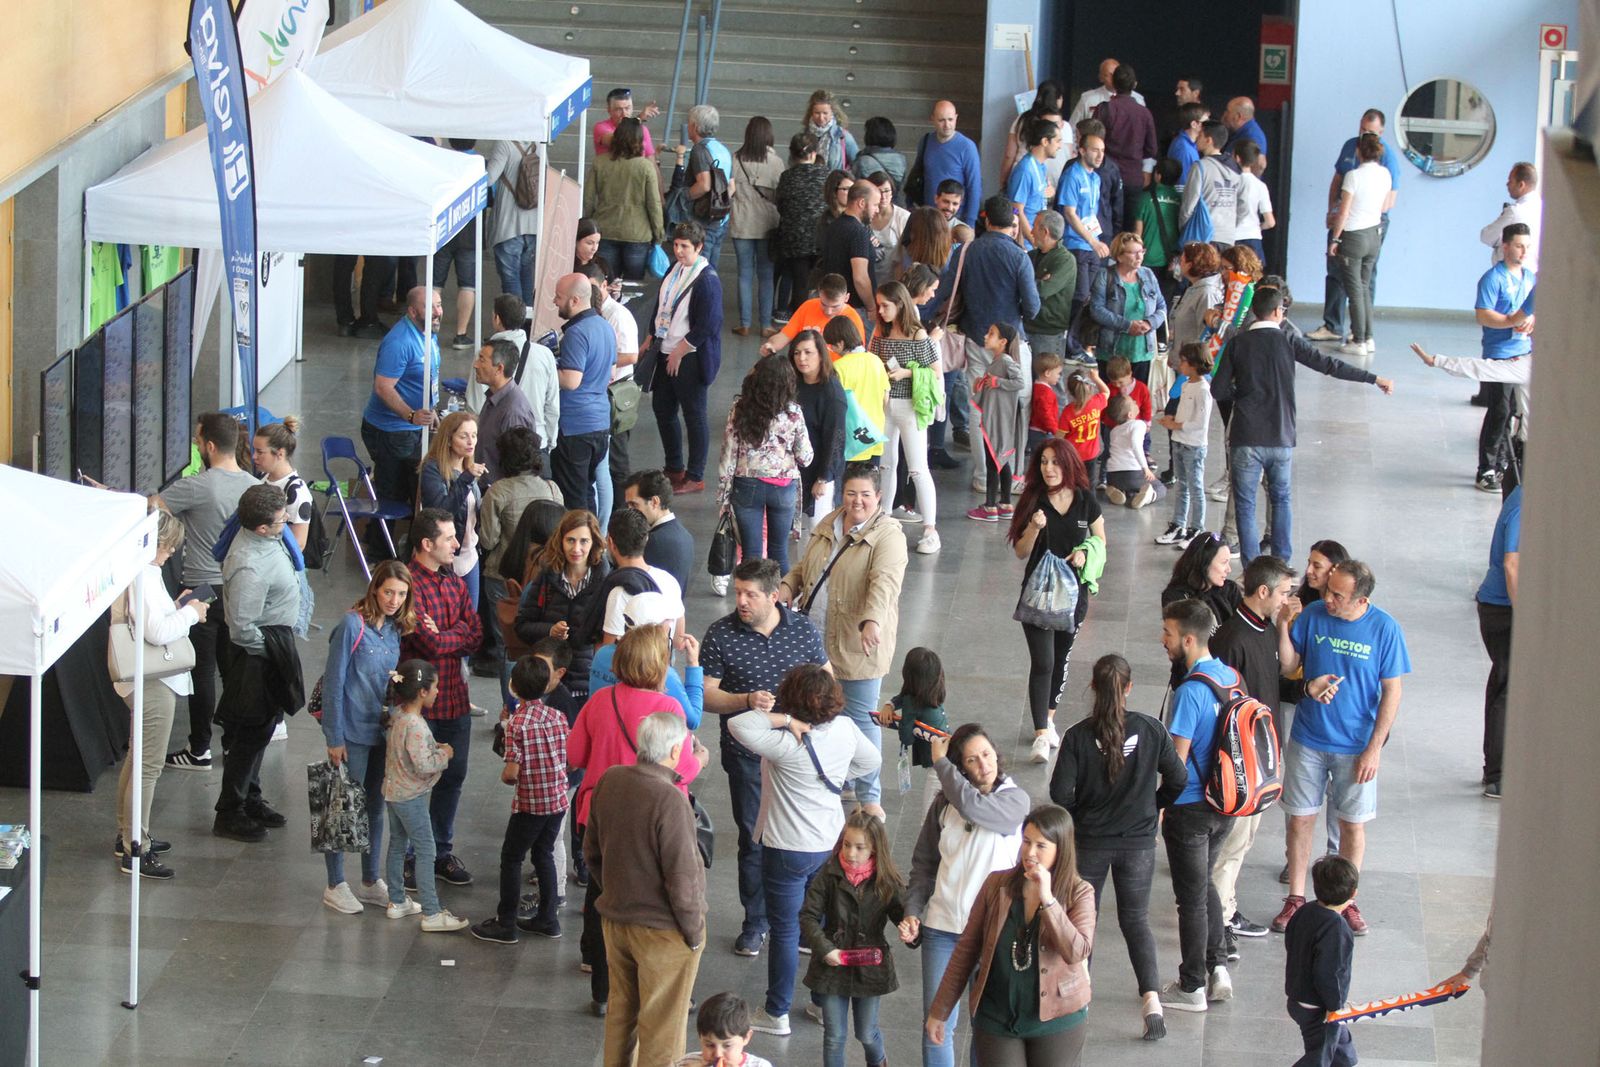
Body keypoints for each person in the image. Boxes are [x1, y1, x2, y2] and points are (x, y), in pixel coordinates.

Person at [728, 665, 882, 1036]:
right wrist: (841, 773)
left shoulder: (784, 743)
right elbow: (872, 761)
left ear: (791, 699)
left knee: (784, 930)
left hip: (786, 848)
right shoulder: (845, 729)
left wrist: (782, 719)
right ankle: (819, 1003)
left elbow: (740, 725)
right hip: (830, 846)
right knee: (824, 925)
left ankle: (777, 1011)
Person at [571, 627, 708, 1019]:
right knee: (657, 900)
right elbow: (681, 770)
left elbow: (576, 753)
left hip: (598, 812)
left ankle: (602, 991)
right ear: (659, 664)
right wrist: (701, 759)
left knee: (599, 897)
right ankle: (652, 985)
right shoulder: (670, 709)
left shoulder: (599, 700)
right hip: (655, 818)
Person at [1273, 560, 1411, 937]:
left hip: (1356, 746)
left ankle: (1346, 900)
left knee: (1352, 825)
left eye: (1338, 595)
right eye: (1327, 590)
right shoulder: (1314, 615)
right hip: (1309, 738)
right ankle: (1296, 897)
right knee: (1300, 818)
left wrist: (1375, 747)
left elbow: (1392, 691)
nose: (1327, 598)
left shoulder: (1385, 629)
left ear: (1361, 599)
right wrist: (1284, 625)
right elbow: (1288, 669)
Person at [1051, 654, 1185, 1040]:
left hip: (1090, 843)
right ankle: (1151, 1001)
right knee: (1135, 920)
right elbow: (1178, 779)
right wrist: (1152, 807)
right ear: (1129, 688)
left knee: (1082, 922)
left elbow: (1060, 793)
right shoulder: (1151, 730)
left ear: (1093, 687)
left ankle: (1079, 1000)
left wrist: (1081, 819)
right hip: (1138, 844)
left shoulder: (1077, 736)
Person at [701, 557, 830, 957]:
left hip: (798, 755)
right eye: (738, 592)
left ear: (774, 596)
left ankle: (805, 923)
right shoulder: (721, 634)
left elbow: (827, 678)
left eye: (750, 594)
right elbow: (706, 694)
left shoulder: (803, 630)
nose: (741, 601)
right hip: (746, 754)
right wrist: (745, 701)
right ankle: (756, 922)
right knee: (754, 837)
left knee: (807, 837)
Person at [1210, 288, 1392, 562]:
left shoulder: (1238, 342)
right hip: (1281, 436)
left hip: (1246, 436)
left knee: (1246, 506)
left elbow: (1218, 389)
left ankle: (1251, 568)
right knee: (1281, 500)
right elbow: (1328, 365)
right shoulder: (1288, 340)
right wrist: (1373, 378)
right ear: (1276, 312)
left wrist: (1243, 395)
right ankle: (1282, 564)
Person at [776, 464, 906, 820]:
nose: (857, 501)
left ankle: (870, 795)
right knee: (821, 713)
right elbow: (808, 568)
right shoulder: (830, 523)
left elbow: (885, 583)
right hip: (816, 639)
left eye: (866, 494)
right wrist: (788, 585)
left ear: (879, 497)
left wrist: (872, 621)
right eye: (851, 493)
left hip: (856, 643)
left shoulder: (889, 535)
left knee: (862, 719)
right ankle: (832, 775)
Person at [925, 804, 1096, 1065]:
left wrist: (1048, 900)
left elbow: (1076, 951)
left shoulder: (1079, 892)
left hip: (1057, 1019)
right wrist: (940, 1010)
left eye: (1041, 845)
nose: (1030, 852)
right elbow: (967, 949)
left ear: (1060, 849)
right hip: (997, 1015)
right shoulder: (997, 884)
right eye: (1026, 841)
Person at [902, 724, 1030, 1066]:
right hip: (942, 929)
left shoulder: (1015, 801)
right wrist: (913, 910)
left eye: (987, 754)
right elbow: (924, 865)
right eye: (972, 760)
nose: (984, 764)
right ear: (963, 768)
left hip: (994, 933)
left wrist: (941, 764)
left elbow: (976, 809)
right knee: (936, 1023)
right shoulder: (944, 806)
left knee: (986, 1028)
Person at [585, 712, 707, 1065]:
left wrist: (614, 892)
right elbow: (682, 878)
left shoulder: (610, 780)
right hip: (663, 932)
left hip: (615, 920)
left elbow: (591, 852)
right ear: (673, 751)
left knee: (621, 1015)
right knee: (662, 1031)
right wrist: (694, 932)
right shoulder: (670, 799)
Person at [153, 413, 258, 771]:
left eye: (199, 442)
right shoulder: (251, 485)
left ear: (209, 446)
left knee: (201, 670)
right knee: (231, 670)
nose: (197, 447)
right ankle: (232, 743)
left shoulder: (198, 485)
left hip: (201, 589)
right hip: (239, 588)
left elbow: (152, 507)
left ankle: (199, 749)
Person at [1207, 554, 1299, 951]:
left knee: (1241, 845)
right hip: (1241, 763)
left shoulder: (1262, 628)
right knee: (1229, 847)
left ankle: (1226, 907)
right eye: (1282, 593)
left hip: (1261, 759)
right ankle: (1218, 923)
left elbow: (1269, 685)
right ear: (1263, 591)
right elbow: (1222, 705)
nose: (1285, 600)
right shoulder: (1231, 639)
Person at [109, 510, 204, 878]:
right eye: (169, 547)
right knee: (148, 768)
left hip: (145, 679)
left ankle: (127, 836)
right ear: (159, 543)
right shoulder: (145, 576)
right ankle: (137, 848)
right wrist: (192, 614)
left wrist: (179, 608)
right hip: (155, 681)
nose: (170, 553)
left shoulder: (138, 572)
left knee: (137, 760)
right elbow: (158, 631)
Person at [1155, 597, 1238, 1013]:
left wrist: (1158, 805)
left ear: (1188, 639)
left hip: (1190, 810)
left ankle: (1192, 986)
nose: (1163, 640)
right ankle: (1218, 967)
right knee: (1204, 884)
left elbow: (1177, 763)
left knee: (1190, 897)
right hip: (1226, 805)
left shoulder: (1190, 692)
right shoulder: (1230, 677)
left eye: (1168, 634)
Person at [319, 560, 414, 912]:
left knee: (374, 806)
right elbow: (334, 681)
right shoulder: (351, 625)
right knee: (342, 808)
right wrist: (334, 735)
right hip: (351, 731)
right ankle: (335, 883)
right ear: (375, 589)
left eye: (401, 594)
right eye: (389, 591)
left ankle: (370, 879)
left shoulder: (393, 629)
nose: (394, 599)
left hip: (379, 730)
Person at [212, 484, 302, 842]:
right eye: (282, 519)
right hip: (256, 656)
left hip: (268, 647)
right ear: (262, 528)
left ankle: (250, 797)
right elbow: (242, 628)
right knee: (249, 734)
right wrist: (273, 653)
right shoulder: (248, 565)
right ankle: (229, 811)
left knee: (261, 729)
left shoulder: (265, 539)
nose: (287, 522)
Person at [400, 507, 483, 889]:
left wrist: (448, 634)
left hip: (454, 697)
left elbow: (477, 634)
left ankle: (440, 851)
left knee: (453, 775)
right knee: (416, 779)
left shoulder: (454, 581)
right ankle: (411, 856)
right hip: (420, 704)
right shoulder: (408, 586)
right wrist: (455, 634)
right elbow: (426, 643)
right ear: (426, 544)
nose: (457, 543)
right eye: (449, 538)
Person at [1009, 440, 1104, 763]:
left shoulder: (1086, 502)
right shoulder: (1034, 501)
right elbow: (1021, 551)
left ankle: (1048, 719)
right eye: (1044, 462)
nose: (1049, 469)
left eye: (1055, 463)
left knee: (1061, 659)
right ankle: (1039, 734)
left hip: (1073, 596)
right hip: (1039, 594)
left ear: (1068, 465)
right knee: (1044, 662)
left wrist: (1085, 553)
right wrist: (1034, 528)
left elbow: (1101, 542)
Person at [469, 655, 570, 944]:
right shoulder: (557, 716)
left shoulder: (517, 724)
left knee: (512, 858)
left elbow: (511, 773)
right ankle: (548, 919)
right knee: (544, 854)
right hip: (558, 800)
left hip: (530, 804)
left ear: (513, 687)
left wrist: (508, 772)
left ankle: (506, 922)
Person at [800, 810, 906, 1067]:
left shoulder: (887, 880)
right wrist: (826, 949)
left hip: (869, 966)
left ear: (874, 849)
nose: (850, 853)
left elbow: (905, 915)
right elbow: (808, 916)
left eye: (860, 847)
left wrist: (910, 929)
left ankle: (878, 1062)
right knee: (834, 1037)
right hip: (831, 965)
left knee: (866, 1033)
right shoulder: (829, 873)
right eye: (847, 845)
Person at [381, 659, 469, 932]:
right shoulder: (416, 726)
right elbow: (424, 764)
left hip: (393, 792)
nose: (438, 692)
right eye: (435, 688)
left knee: (397, 843)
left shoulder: (396, 715)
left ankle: (397, 900)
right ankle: (431, 913)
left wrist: (432, 747)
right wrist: (444, 754)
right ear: (421, 692)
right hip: (411, 797)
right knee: (426, 850)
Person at [1308, 110, 1404, 344]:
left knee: (1364, 277)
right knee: (1335, 271)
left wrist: (1362, 215)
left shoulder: (1387, 158)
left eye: (1369, 131)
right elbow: (1337, 181)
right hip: (1344, 218)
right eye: (1361, 129)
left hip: (1367, 223)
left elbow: (1389, 201)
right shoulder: (1350, 148)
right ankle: (1333, 325)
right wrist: (1332, 209)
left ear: (1380, 133)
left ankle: (1359, 331)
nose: (1364, 134)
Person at [715, 357, 812, 570]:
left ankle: (750, 601)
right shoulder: (794, 412)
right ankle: (782, 602)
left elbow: (728, 454)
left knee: (751, 553)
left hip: (747, 485)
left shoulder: (739, 409)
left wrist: (723, 496)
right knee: (779, 551)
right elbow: (806, 457)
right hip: (784, 487)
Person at [649, 221, 725, 493]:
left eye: (684, 247)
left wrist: (681, 349)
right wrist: (651, 334)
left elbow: (709, 323)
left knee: (694, 415)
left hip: (689, 357)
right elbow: (662, 304)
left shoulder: (707, 280)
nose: (678, 251)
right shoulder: (673, 269)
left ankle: (695, 475)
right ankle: (674, 466)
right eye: (676, 245)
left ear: (699, 247)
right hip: (665, 349)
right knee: (663, 409)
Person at [869, 280, 942, 552]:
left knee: (917, 467)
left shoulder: (918, 334)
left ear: (900, 305)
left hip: (911, 405)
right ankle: (884, 517)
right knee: (886, 464)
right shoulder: (881, 331)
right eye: (879, 306)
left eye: (886, 305)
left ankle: (930, 529)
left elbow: (935, 372)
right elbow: (872, 361)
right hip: (886, 404)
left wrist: (906, 373)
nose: (882, 311)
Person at [361, 288, 443, 520]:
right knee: (392, 495)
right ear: (412, 311)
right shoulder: (400, 342)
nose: (438, 312)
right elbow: (383, 387)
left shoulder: (427, 331)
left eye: (439, 304)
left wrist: (431, 408)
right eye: (431, 307)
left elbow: (428, 375)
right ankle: (380, 550)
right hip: (392, 432)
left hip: (412, 429)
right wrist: (410, 415)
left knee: (413, 489)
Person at [514, 509, 609, 705]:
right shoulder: (547, 577)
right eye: (570, 540)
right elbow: (522, 626)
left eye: (584, 541)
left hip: (586, 682)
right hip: (546, 682)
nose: (576, 549)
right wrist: (550, 631)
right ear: (561, 541)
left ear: (594, 543)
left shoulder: (605, 582)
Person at [1472, 223, 1537, 494]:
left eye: (1527, 247)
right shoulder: (1492, 278)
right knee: (1499, 410)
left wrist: (1530, 320)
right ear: (1506, 246)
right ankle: (1485, 469)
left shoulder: (1530, 278)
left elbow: (1533, 311)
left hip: (1525, 353)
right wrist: (1511, 322)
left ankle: (1504, 462)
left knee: (1515, 411)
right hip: (1499, 355)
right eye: (1519, 246)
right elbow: (1483, 314)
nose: (1523, 252)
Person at [1284, 856, 1361, 1067]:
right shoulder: (1337, 928)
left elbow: (1291, 941)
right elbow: (1330, 973)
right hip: (1319, 1007)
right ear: (1353, 893)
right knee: (1320, 1057)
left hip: (1297, 997)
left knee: (1341, 1049)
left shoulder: (1304, 911)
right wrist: (1336, 1007)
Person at [550, 273, 616, 510]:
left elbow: (571, 380)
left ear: (575, 300)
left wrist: (547, 368)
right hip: (600, 423)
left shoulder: (576, 334)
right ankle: (593, 543)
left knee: (573, 499)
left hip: (575, 426)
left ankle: (581, 544)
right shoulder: (604, 326)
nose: (555, 302)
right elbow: (611, 372)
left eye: (559, 297)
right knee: (586, 491)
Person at [1327, 132, 1394, 357]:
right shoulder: (1385, 174)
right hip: (1374, 234)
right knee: (1364, 287)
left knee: (1353, 289)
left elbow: (1344, 211)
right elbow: (1385, 205)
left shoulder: (1353, 176)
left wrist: (1335, 238)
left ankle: (1359, 339)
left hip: (1353, 236)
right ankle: (1369, 337)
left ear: (1358, 151)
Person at [416, 409, 485, 614]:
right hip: (443, 556)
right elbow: (441, 513)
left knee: (470, 619)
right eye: (463, 436)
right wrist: (465, 480)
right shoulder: (433, 469)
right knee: (443, 616)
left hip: (469, 554)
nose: (470, 441)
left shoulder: (470, 470)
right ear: (448, 439)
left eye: (474, 435)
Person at [586, 117, 664, 282]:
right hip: (638, 234)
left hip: (605, 230)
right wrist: (658, 233)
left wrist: (587, 227)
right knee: (633, 287)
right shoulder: (645, 167)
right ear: (639, 140)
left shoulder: (599, 163)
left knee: (606, 283)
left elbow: (588, 199)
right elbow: (654, 204)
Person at [731, 116, 785, 337]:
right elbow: (781, 194)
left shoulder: (735, 159)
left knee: (744, 274)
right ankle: (765, 325)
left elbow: (729, 191)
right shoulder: (776, 163)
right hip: (767, 224)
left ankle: (744, 323)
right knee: (766, 274)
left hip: (741, 222)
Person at [1156, 343, 1215, 546]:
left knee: (1195, 487)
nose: (1180, 365)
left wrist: (1176, 424)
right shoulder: (1186, 384)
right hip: (1179, 442)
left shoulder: (1203, 390)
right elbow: (1185, 411)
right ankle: (1178, 524)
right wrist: (1171, 418)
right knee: (1182, 486)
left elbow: (1200, 422)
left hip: (1194, 446)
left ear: (1194, 364)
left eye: (1183, 361)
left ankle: (1196, 528)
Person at [788, 329, 848, 525]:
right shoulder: (793, 384)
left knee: (817, 529)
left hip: (820, 473)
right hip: (796, 471)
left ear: (821, 355)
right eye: (797, 353)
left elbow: (836, 438)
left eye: (808, 352)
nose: (801, 358)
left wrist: (824, 478)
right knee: (801, 532)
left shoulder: (831, 392)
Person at [1093, 63, 1159, 219]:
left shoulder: (1104, 109)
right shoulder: (1144, 113)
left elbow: (1093, 140)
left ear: (1113, 84)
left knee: (1105, 223)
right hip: (1133, 177)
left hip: (1106, 174)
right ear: (1134, 85)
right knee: (1129, 228)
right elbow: (1152, 149)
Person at [776, 132, 830, 317]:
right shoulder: (826, 174)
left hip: (795, 238)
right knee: (822, 281)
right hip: (823, 235)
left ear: (792, 154)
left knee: (800, 283)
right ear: (814, 153)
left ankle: (801, 321)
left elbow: (780, 205)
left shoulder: (787, 177)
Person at [483, 140, 544, 305]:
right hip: (533, 225)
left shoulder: (504, 144)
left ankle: (514, 325)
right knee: (527, 278)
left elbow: (489, 178)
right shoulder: (538, 144)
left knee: (511, 280)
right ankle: (527, 326)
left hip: (508, 225)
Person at [1055, 136, 1107, 327]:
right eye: (1095, 150)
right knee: (1079, 295)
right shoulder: (1073, 175)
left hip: (1091, 243)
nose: (1100, 155)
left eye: (1102, 150)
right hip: (1075, 244)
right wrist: (1093, 242)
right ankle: (1068, 342)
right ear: (1082, 151)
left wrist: (1095, 241)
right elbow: (1070, 213)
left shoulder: (1096, 178)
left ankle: (1075, 341)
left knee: (1088, 298)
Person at [678, 103, 737, 266]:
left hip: (703, 221)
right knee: (710, 269)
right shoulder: (723, 150)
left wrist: (684, 196)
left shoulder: (700, 150)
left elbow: (704, 185)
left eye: (689, 122)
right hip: (720, 220)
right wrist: (718, 205)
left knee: (696, 268)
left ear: (695, 126)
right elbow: (732, 187)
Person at [910, 101, 981, 226]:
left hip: (955, 217)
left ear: (956, 118)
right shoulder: (926, 141)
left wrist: (970, 222)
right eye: (941, 120)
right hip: (929, 214)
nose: (947, 125)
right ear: (933, 119)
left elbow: (974, 185)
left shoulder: (967, 147)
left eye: (950, 119)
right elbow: (917, 173)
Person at [759, 274, 865, 358]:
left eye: (835, 307)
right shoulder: (808, 306)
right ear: (819, 294)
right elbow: (785, 335)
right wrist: (771, 345)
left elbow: (857, 358)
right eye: (823, 304)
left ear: (846, 298)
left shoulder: (853, 319)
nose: (828, 311)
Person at [622, 470, 695, 591]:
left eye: (634, 505)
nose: (630, 511)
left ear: (655, 502)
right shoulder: (685, 535)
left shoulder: (654, 541)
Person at [1177, 120, 1242, 247]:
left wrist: (1184, 229)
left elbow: (1189, 204)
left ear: (1209, 140)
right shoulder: (1236, 170)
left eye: (1200, 135)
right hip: (1228, 236)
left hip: (1203, 235)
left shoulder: (1201, 167)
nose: (1196, 139)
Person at [1024, 210, 1076, 361]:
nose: (1031, 231)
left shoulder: (1065, 260)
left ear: (1045, 231)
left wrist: (1030, 283)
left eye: (1034, 226)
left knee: (1047, 380)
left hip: (1048, 333)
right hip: (1027, 326)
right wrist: (1038, 281)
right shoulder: (1031, 256)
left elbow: (1043, 289)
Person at [1005, 117, 1061, 249]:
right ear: (1045, 141)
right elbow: (1017, 210)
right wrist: (1033, 241)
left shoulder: (1041, 166)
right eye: (1058, 141)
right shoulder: (1025, 170)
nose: (1060, 146)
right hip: (1026, 245)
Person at [677, 993, 775, 1067]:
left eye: (727, 1045)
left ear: (746, 1037)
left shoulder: (760, 1065)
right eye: (710, 1045)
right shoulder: (687, 1061)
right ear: (700, 1037)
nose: (718, 1054)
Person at [1101, 394, 1163, 510]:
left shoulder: (1114, 430)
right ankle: (1148, 497)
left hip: (1113, 476)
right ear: (1130, 414)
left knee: (1131, 487)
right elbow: (1136, 445)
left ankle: (1118, 491)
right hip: (1132, 473)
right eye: (1133, 402)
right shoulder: (1138, 424)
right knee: (1159, 487)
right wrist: (1146, 468)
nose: (1135, 401)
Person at [1480, 162, 1541, 273]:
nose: (1507, 184)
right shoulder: (1543, 209)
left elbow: (1487, 236)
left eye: (1510, 181)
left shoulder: (1515, 212)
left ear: (1521, 185)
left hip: (1510, 277)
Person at [1060, 366, 1111, 487]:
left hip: (1073, 455)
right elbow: (1106, 392)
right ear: (1089, 387)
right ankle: (1090, 504)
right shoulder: (1096, 402)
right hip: (1092, 453)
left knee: (1072, 484)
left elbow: (1059, 437)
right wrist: (1097, 378)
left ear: (1070, 391)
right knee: (1090, 483)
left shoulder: (1068, 412)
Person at [1069, 57, 1145, 125]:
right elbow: (1073, 128)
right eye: (1108, 75)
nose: (1113, 77)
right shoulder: (1088, 99)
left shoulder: (1138, 100)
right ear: (1100, 78)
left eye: (1116, 74)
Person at [593, 87, 659, 157]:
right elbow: (621, 142)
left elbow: (651, 160)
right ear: (609, 110)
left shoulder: (643, 130)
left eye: (627, 108)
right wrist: (639, 118)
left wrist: (656, 157)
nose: (624, 113)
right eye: (618, 109)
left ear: (632, 108)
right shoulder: (601, 127)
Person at [852, 115, 907, 189]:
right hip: (892, 199)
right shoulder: (901, 158)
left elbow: (856, 188)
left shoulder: (863, 160)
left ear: (869, 135)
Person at [1166, 102, 1209, 188]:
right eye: (1205, 123)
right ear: (1194, 124)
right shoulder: (1183, 148)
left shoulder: (1189, 145)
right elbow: (1182, 186)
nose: (1208, 126)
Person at [1222, 96, 1269, 167]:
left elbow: (1260, 165)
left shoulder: (1253, 136)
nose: (1225, 115)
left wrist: (1245, 178)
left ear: (1238, 117)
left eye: (1228, 111)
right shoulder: (1238, 132)